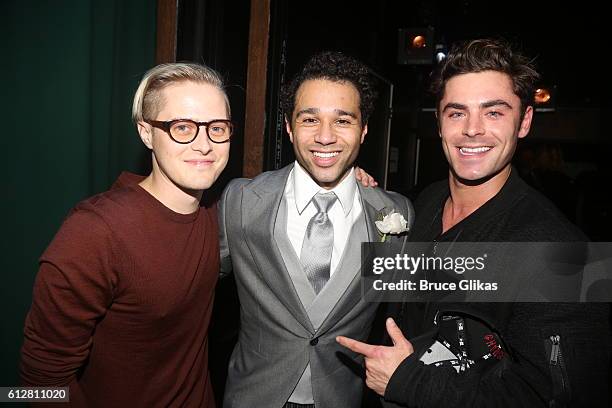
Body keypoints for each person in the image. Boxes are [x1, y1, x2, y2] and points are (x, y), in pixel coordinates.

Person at [337, 39, 611, 407]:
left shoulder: (569, 255)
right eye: (456, 113)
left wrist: (409, 381)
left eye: (494, 113)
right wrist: (353, 199)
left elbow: (564, 397)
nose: (472, 129)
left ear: (524, 121)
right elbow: (385, 298)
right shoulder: (424, 203)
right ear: (438, 122)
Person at [20, 63, 233, 407]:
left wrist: (352, 185)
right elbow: (37, 383)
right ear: (146, 133)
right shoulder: (94, 232)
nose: (204, 144)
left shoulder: (219, 210)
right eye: (182, 127)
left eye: (217, 128)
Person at [218, 51, 414, 408]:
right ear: (289, 127)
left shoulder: (395, 213)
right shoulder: (241, 202)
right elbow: (186, 284)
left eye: (342, 121)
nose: (325, 137)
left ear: (364, 129)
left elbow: (408, 308)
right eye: (310, 119)